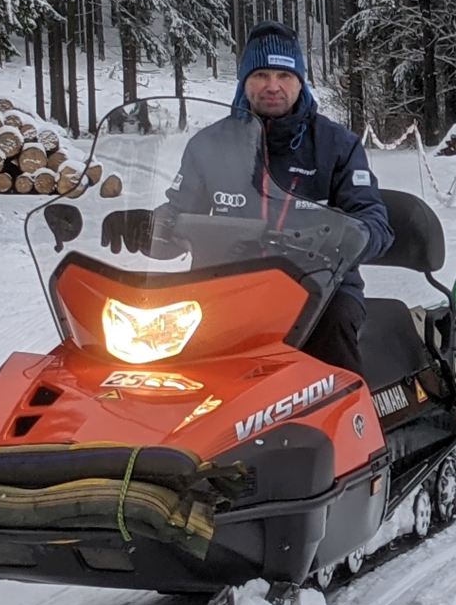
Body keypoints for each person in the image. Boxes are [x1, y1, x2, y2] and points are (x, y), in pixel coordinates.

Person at [105, 21, 392, 379]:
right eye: (261, 74)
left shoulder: (336, 145)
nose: (273, 86)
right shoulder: (209, 144)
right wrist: (147, 227)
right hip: (223, 287)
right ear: (244, 81)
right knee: (162, 361)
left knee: (333, 333)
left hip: (317, 289)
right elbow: (179, 213)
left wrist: (348, 235)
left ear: (300, 81)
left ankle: (353, 429)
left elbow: (373, 220)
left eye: (284, 75)